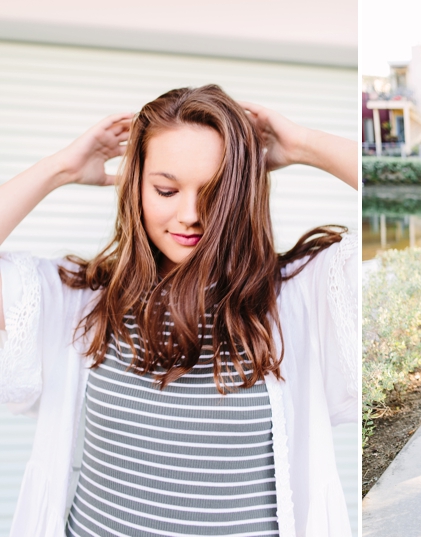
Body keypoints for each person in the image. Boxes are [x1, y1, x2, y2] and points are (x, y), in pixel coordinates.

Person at [0, 85, 358, 537]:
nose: (190, 214)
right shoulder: (82, 300)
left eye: (214, 192)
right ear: (137, 187)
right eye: (166, 189)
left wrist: (305, 145)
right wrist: (60, 169)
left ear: (240, 193)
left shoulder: (300, 297)